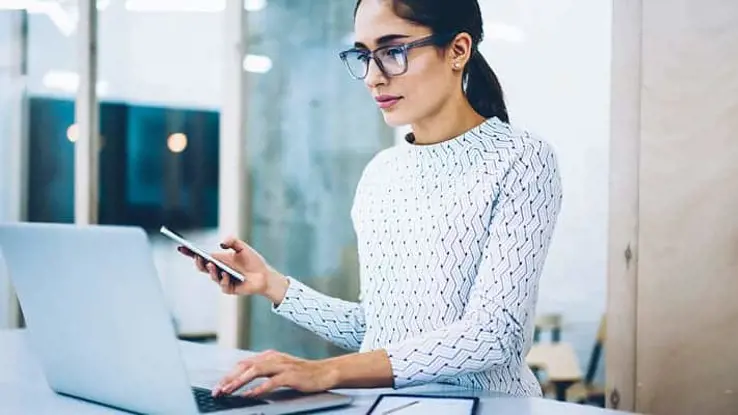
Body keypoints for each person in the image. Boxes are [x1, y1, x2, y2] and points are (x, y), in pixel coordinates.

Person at [179, 0, 563, 399]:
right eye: (364, 55)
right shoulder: (381, 173)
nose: (372, 78)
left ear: (458, 50)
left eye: (393, 51)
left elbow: (493, 335)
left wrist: (326, 372)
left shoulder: (521, 159)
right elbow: (379, 331)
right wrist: (273, 285)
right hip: (390, 407)